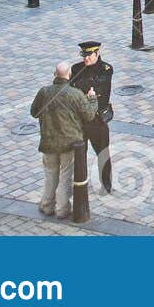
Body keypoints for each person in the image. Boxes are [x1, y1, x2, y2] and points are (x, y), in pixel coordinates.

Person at [30, 62, 97, 220]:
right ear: (69, 75)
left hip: (48, 141)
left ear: (55, 74)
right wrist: (92, 99)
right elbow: (89, 115)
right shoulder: (75, 94)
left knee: (50, 175)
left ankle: (47, 205)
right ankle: (62, 209)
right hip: (69, 142)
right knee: (66, 176)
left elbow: (34, 112)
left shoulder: (44, 92)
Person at [69, 40, 115, 193]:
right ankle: (80, 182)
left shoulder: (105, 69)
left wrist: (83, 88)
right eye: (84, 55)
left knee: (103, 153)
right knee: (79, 154)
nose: (86, 58)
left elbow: (100, 88)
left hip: (97, 119)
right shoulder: (77, 68)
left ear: (97, 53)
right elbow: (72, 90)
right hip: (80, 120)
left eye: (89, 55)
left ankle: (106, 183)